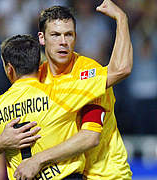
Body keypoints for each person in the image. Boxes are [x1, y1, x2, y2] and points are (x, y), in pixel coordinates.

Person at [0, 32, 130, 179]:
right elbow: (119, 70)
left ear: (9, 69)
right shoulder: (62, 93)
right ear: (39, 64)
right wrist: (121, 19)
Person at [12, 0, 132, 179]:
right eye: (55, 35)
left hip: (105, 175)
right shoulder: (37, 77)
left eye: (68, 35)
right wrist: (0, 140)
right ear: (42, 38)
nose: (63, 42)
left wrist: (121, 18)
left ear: (76, 37)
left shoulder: (88, 74)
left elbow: (90, 137)